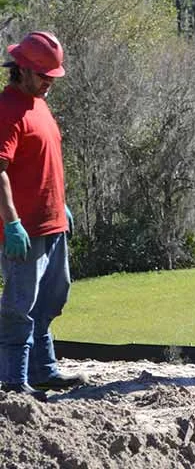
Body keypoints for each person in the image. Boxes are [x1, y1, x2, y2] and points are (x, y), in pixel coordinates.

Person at [0, 31, 85, 402]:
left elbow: (43, 161)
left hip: (53, 223)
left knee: (52, 299)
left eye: (53, 76)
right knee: (20, 306)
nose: (51, 82)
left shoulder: (38, 103)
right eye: (44, 76)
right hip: (25, 229)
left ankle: (44, 369)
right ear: (22, 70)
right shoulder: (7, 109)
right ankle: (14, 384)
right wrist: (12, 223)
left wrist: (60, 206)